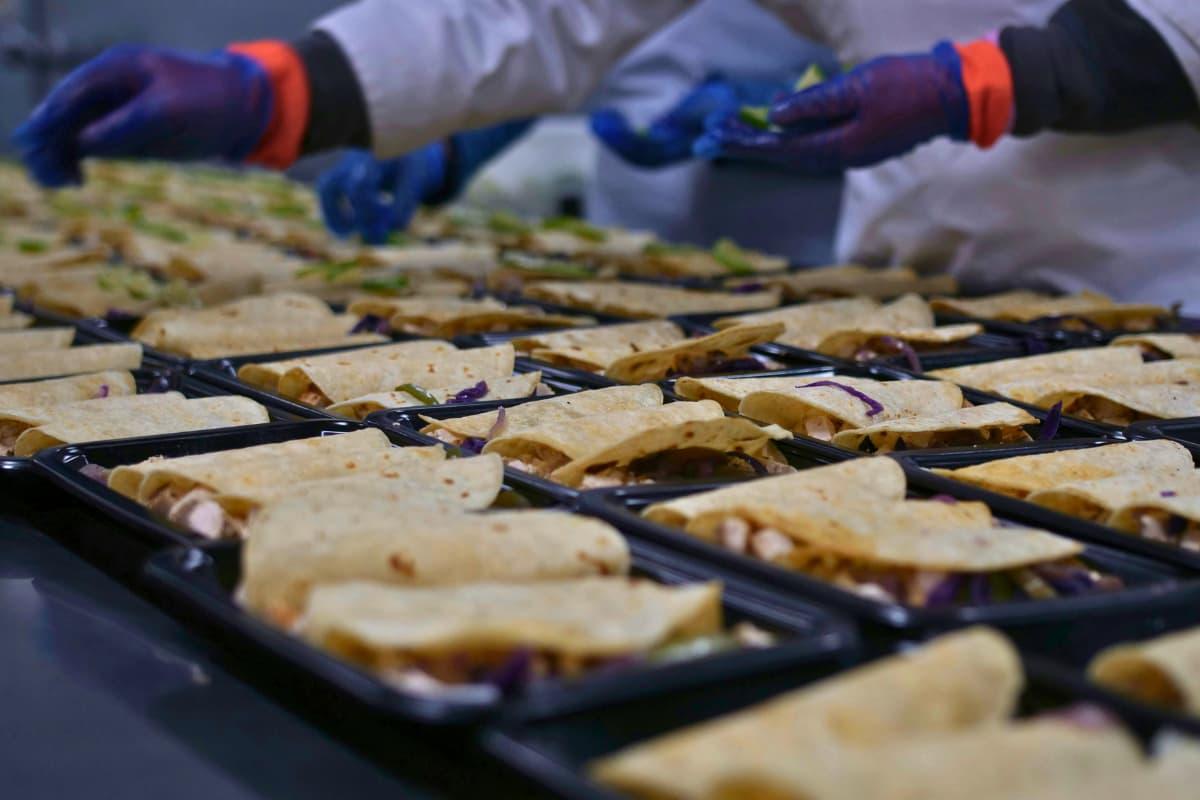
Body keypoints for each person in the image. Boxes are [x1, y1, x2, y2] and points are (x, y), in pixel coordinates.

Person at [12, 0, 1200, 303]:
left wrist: (991, 77)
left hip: (1162, 290)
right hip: (920, 283)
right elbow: (535, 12)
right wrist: (273, 85)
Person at [319, 0, 839, 258]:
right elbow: (553, 38)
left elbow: (900, 57)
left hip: (794, 233)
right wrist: (451, 142)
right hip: (629, 235)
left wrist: (776, 110)